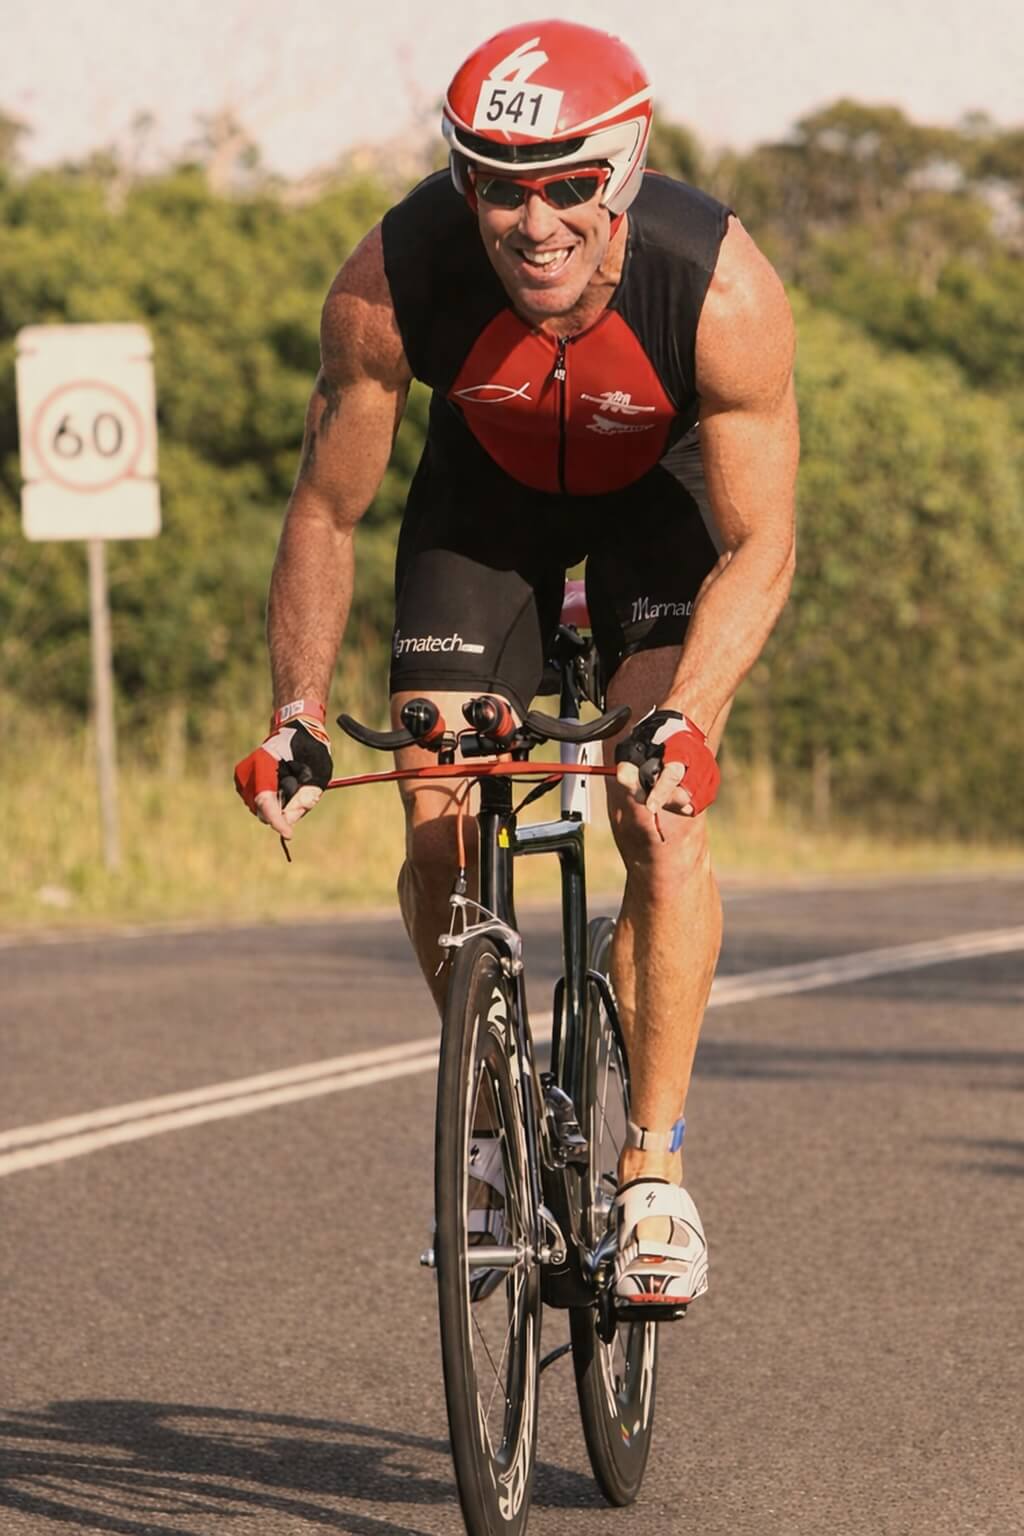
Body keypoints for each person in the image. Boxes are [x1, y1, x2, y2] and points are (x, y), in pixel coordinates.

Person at [235, 19, 798, 1310]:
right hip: (478, 520)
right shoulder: (392, 281)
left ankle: (652, 1173)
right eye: (496, 184)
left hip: (653, 509)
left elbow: (763, 544)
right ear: (462, 181)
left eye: (566, 186)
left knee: (655, 815)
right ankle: (489, 1120)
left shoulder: (717, 289)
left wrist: (691, 717)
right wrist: (299, 712)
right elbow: (326, 511)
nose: (531, 222)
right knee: (437, 823)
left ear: (628, 172)